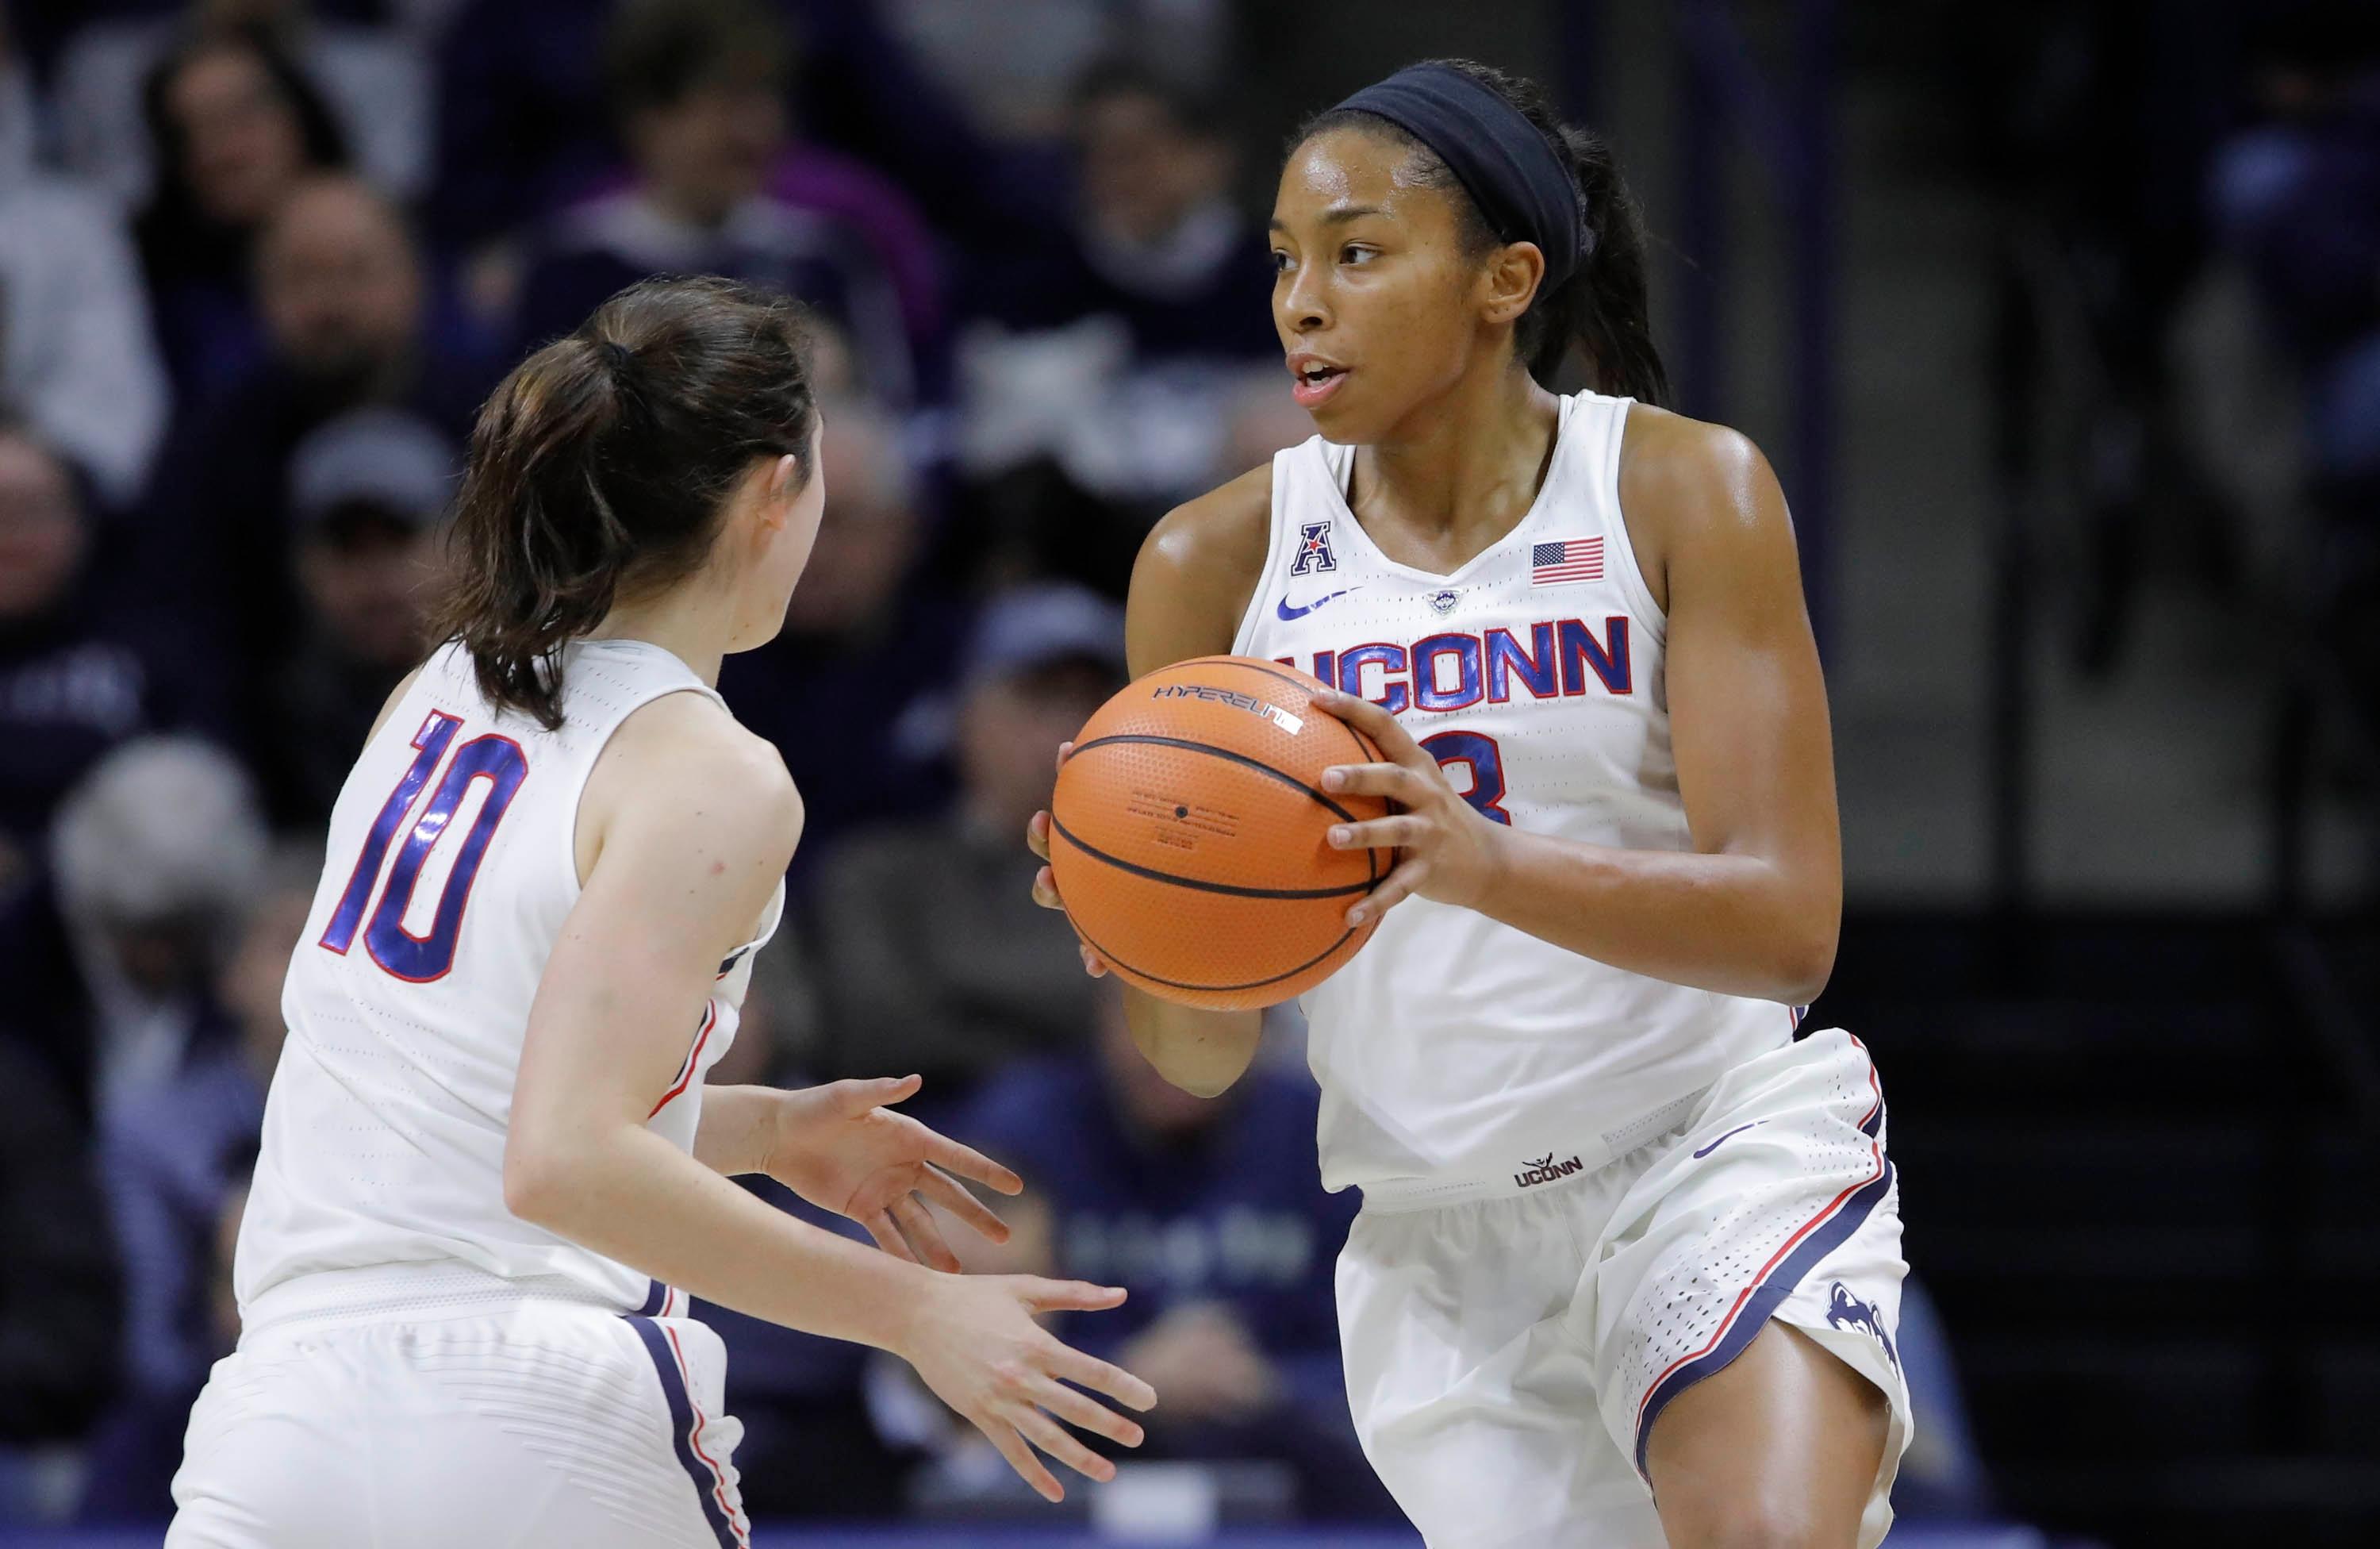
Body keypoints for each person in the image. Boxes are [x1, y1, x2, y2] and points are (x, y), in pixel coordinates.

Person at [1027, 61, 1910, 1549]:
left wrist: (1480, 862)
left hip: (1703, 1143)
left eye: (1358, 254)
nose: (1303, 301)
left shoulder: (1682, 491)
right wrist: (1143, 930)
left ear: (1506, 280)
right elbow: (1199, 1060)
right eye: (1287, 262)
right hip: (1443, 1231)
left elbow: (1787, 927)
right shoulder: (1207, 562)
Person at [166, 276, 1154, 1548]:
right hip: (530, 1414)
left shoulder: (435, 693)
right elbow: (563, 1159)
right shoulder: (711, 770)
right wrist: (912, 1313)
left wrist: (758, 1130)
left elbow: (460, 1101)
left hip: (281, 1420)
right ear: (768, 496)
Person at [950, 982, 1392, 1519]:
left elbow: (1385, 1349)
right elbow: (964, 1342)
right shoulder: (1024, 1130)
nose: (1176, 1053)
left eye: (1210, 1023)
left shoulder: (1323, 1135)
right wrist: (1123, 1374)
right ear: (1104, 1017)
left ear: (1264, 1030)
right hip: (1065, 1486)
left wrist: (1271, 1383)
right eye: (1148, 1020)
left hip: (1301, 1478)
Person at [510, 0, 920, 406]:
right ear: (651, 118)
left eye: (768, 97)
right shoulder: (569, 269)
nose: (756, 130)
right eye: (729, 101)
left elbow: (901, 418)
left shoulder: (823, 256)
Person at [808, 582, 1124, 1101]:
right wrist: (1083, 1036)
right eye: (1037, 698)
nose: (1067, 729)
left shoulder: (1150, 880)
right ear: (966, 714)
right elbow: (875, 1038)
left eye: (1090, 701)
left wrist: (966, 987)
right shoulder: (876, 874)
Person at [129, 22, 350, 406]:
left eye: (241, 116)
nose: (222, 152)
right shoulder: (162, 302)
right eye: (189, 131)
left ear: (299, 116)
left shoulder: (382, 237)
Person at [262, 408, 450, 828]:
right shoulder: (272, 702)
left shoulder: (516, 684)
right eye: (349, 549)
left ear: (459, 547)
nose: (374, 580)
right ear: (304, 566)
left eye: (396, 542)